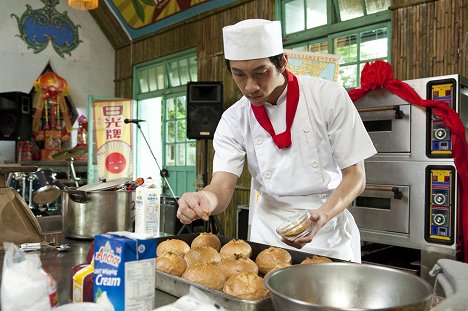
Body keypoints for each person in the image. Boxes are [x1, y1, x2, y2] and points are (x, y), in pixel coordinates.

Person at [176, 19, 376, 262]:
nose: (250, 86)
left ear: (282, 62)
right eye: (239, 75)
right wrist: (203, 200)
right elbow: (222, 186)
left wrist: (323, 215)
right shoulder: (233, 118)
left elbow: (355, 175)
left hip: (327, 229)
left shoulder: (327, 97)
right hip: (268, 238)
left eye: (261, 73)